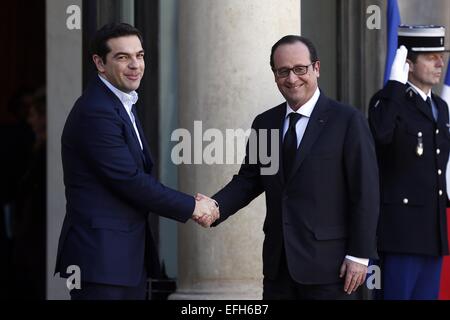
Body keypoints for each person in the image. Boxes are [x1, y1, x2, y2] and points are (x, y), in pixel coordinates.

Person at [197, 35, 380, 300]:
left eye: (300, 69)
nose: (292, 79)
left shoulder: (347, 120)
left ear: (316, 68)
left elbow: (366, 192)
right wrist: (215, 207)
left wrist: (359, 255)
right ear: (274, 75)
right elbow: (249, 180)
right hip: (278, 267)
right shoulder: (265, 123)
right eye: (283, 71)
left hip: (332, 269)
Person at [54, 23, 219, 300]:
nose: (135, 65)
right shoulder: (96, 111)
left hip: (122, 260)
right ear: (100, 63)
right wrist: (192, 206)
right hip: (101, 262)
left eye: (139, 55)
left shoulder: (121, 103)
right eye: (122, 57)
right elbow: (129, 180)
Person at [368, 25, 450, 300]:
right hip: (399, 235)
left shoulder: (440, 106)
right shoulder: (388, 102)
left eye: (441, 55)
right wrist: (393, 86)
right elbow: (380, 135)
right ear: (408, 63)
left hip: (432, 235)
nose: (440, 63)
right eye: (430, 57)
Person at [11, 91, 47, 299]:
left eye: (34, 114)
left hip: (39, 235)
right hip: (31, 235)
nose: (30, 120)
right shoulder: (37, 150)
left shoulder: (47, 155)